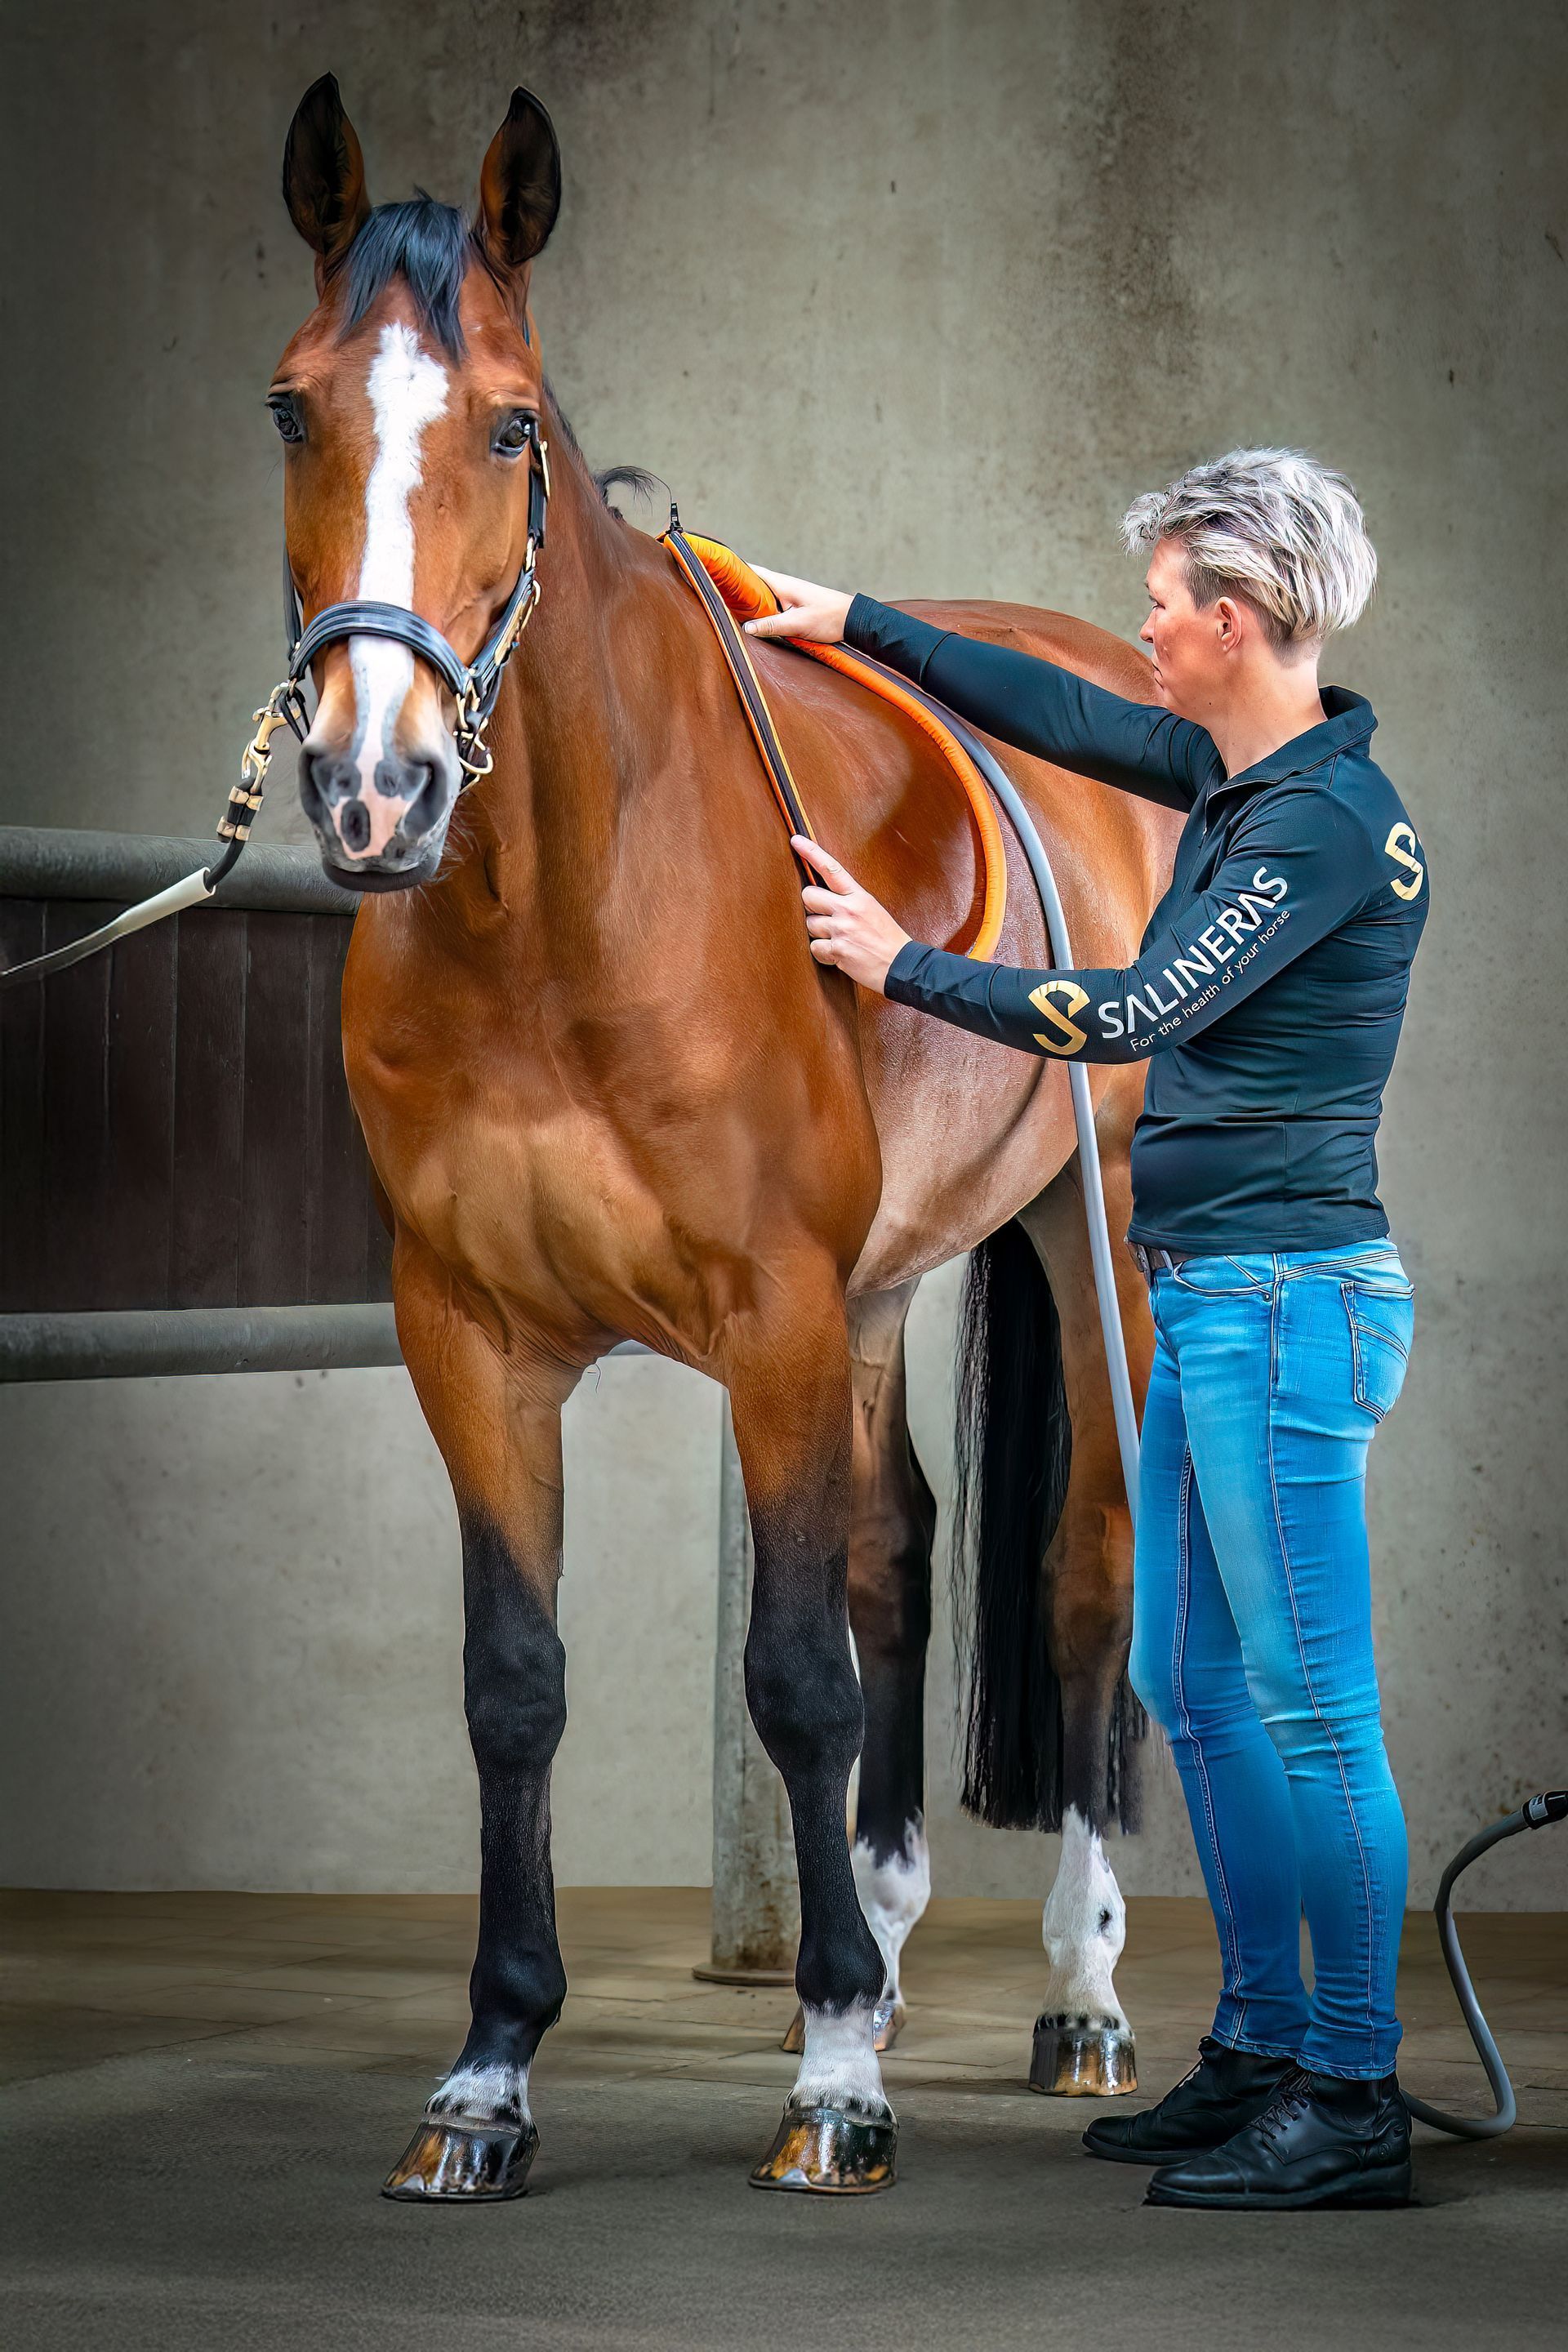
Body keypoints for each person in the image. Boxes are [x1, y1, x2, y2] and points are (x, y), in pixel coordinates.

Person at [746, 448, 1428, 2211]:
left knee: (1310, 1710)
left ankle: (1352, 2088)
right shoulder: (1232, 777)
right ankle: (1259, 2048)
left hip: (1289, 1307)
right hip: (1208, 1298)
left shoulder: (1323, 828)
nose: (1146, 631)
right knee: (1188, 1683)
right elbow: (1055, 710)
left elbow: (1137, 1008)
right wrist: (858, 625)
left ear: (1236, 621)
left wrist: (901, 965)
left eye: (1165, 605)